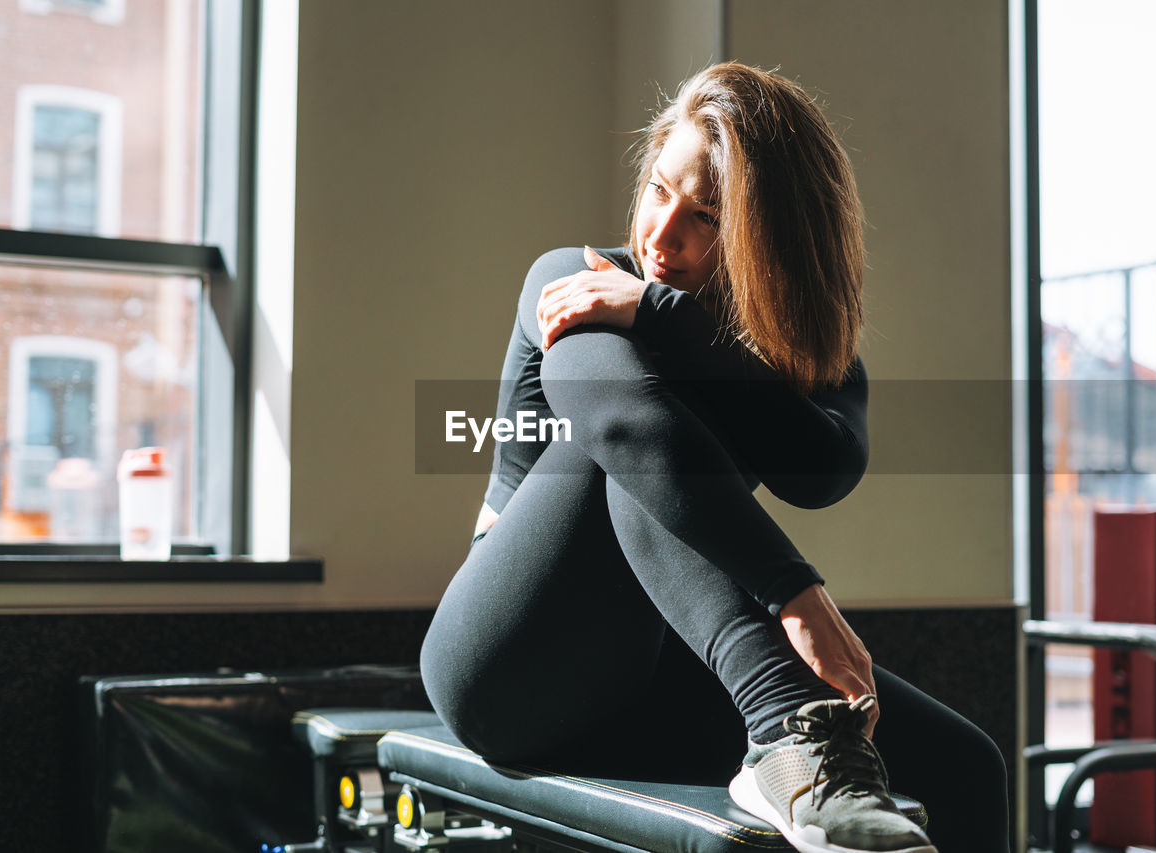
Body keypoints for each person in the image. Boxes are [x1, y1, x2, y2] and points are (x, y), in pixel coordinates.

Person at [420, 62, 1009, 853]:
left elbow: (823, 466)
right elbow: (633, 428)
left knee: (967, 765)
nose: (662, 237)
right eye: (659, 192)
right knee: (633, 426)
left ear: (770, 238)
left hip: (654, 671)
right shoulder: (573, 281)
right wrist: (794, 592)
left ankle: (789, 744)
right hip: (506, 662)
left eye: (705, 215)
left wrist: (666, 318)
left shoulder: (759, 341)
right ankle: (782, 735)